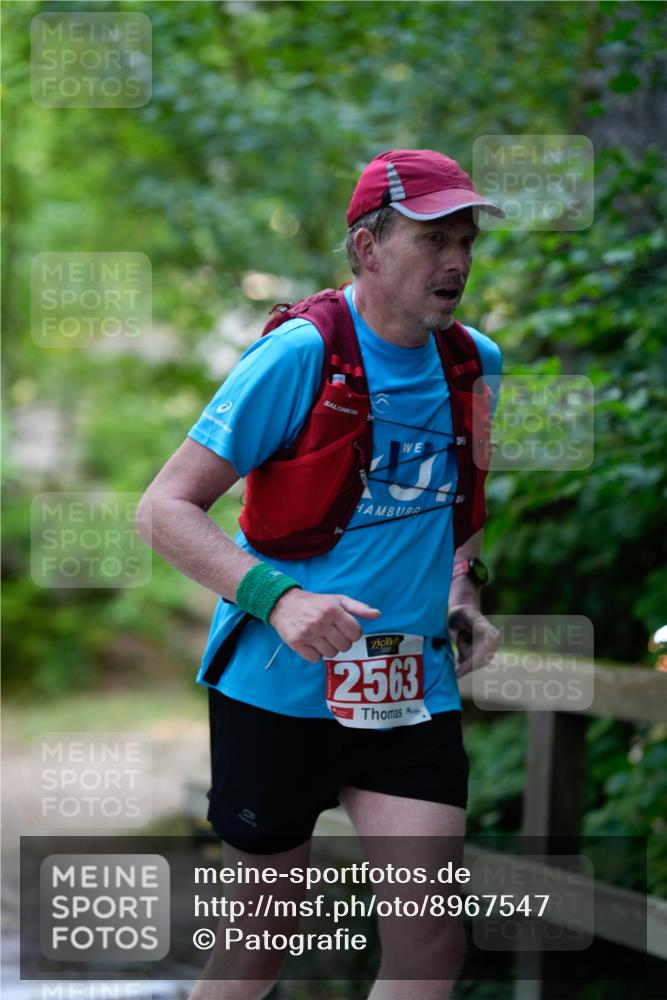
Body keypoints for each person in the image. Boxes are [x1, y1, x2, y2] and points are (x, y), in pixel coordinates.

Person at [137, 148, 504, 1000]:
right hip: (279, 687)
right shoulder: (299, 354)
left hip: (408, 691)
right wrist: (280, 600)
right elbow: (162, 509)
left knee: (429, 945)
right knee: (259, 944)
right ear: (367, 248)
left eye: (465, 241)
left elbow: (461, 505)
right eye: (432, 240)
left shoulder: (473, 363)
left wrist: (462, 593)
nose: (455, 261)